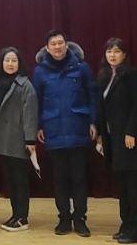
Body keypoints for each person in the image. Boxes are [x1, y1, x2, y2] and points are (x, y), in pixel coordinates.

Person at [32, 29, 98, 237]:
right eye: (53, 44)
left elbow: (92, 95)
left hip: (79, 128)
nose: (57, 47)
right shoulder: (40, 71)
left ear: (67, 45)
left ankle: (80, 219)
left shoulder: (82, 67)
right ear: (47, 48)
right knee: (59, 178)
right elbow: (36, 101)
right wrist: (38, 125)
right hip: (54, 130)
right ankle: (63, 218)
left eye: (60, 43)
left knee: (79, 178)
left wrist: (93, 121)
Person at [95, 38, 137, 244]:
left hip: (129, 139)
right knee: (123, 187)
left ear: (124, 55)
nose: (112, 55)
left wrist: (131, 132)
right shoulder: (105, 76)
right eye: (109, 51)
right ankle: (126, 225)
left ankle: (135, 231)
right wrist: (100, 132)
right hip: (113, 139)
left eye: (116, 51)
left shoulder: (132, 75)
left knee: (134, 187)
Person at [0, 46, 38, 232]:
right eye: (7, 60)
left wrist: (30, 140)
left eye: (14, 60)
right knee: (10, 180)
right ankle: (15, 214)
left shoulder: (25, 85)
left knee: (20, 180)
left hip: (18, 138)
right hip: (3, 138)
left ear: (20, 63)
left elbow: (30, 114)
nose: (10, 64)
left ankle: (23, 218)